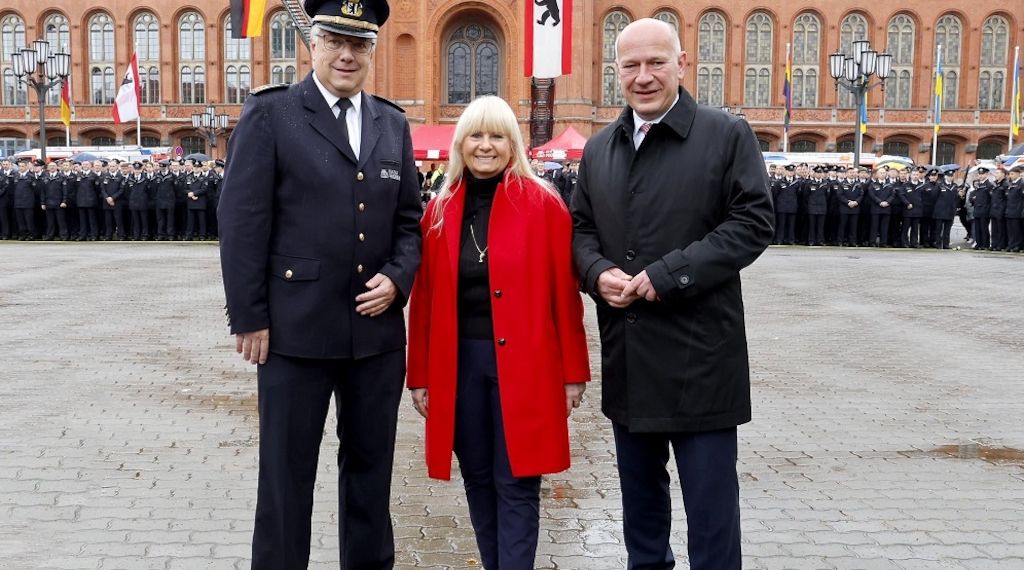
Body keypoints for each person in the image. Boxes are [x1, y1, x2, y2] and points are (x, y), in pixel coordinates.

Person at [217, 0, 422, 567]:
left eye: (359, 44)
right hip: (293, 332)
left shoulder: (392, 123)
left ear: (373, 51)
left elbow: (410, 223)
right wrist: (250, 316)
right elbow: (241, 221)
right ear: (312, 44)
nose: (347, 54)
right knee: (286, 478)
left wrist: (399, 280)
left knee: (370, 473)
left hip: (375, 339)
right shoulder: (273, 113)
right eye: (335, 40)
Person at [571, 18, 774, 569]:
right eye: (630, 65)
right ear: (616, 71)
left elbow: (753, 223)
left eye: (655, 62)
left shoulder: (726, 134)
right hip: (630, 359)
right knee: (642, 518)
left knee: (711, 520)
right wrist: (594, 273)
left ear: (682, 63)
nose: (643, 77)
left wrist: (670, 275)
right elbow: (580, 230)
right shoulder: (598, 148)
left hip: (700, 360)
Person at [406, 95, 590, 570]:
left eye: (497, 136)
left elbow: (564, 296)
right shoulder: (439, 211)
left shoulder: (544, 205)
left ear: (514, 144)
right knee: (479, 480)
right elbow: (423, 301)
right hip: (459, 367)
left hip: (527, 366)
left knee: (517, 482)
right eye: (476, 135)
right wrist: (420, 376)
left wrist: (574, 373)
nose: (485, 146)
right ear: (459, 143)